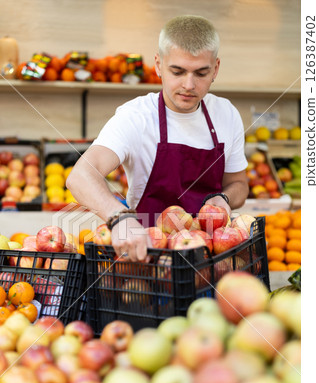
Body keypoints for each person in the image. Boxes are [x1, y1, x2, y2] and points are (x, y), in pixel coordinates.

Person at [67, 15, 249, 261]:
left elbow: (239, 184)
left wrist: (225, 198)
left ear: (215, 69)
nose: (189, 84)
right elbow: (80, 176)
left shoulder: (226, 114)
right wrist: (119, 217)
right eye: (177, 71)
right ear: (158, 64)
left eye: (201, 73)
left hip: (211, 258)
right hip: (147, 257)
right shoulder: (135, 116)